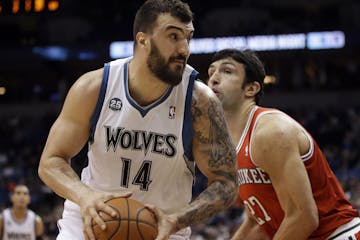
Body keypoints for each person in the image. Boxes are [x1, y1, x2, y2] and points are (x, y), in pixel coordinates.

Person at [38, 1, 238, 240]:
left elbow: (226, 183)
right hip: (92, 222)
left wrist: (178, 219)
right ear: (143, 40)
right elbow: (51, 161)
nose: (184, 48)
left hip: (163, 230)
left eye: (188, 38)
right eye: (173, 36)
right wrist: (85, 196)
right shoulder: (93, 87)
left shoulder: (200, 102)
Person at [207, 48, 360, 240]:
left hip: (337, 234)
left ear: (251, 88)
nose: (213, 78)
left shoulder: (270, 131)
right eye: (211, 72)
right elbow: (257, 223)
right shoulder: (231, 146)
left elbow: (304, 217)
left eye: (227, 71)